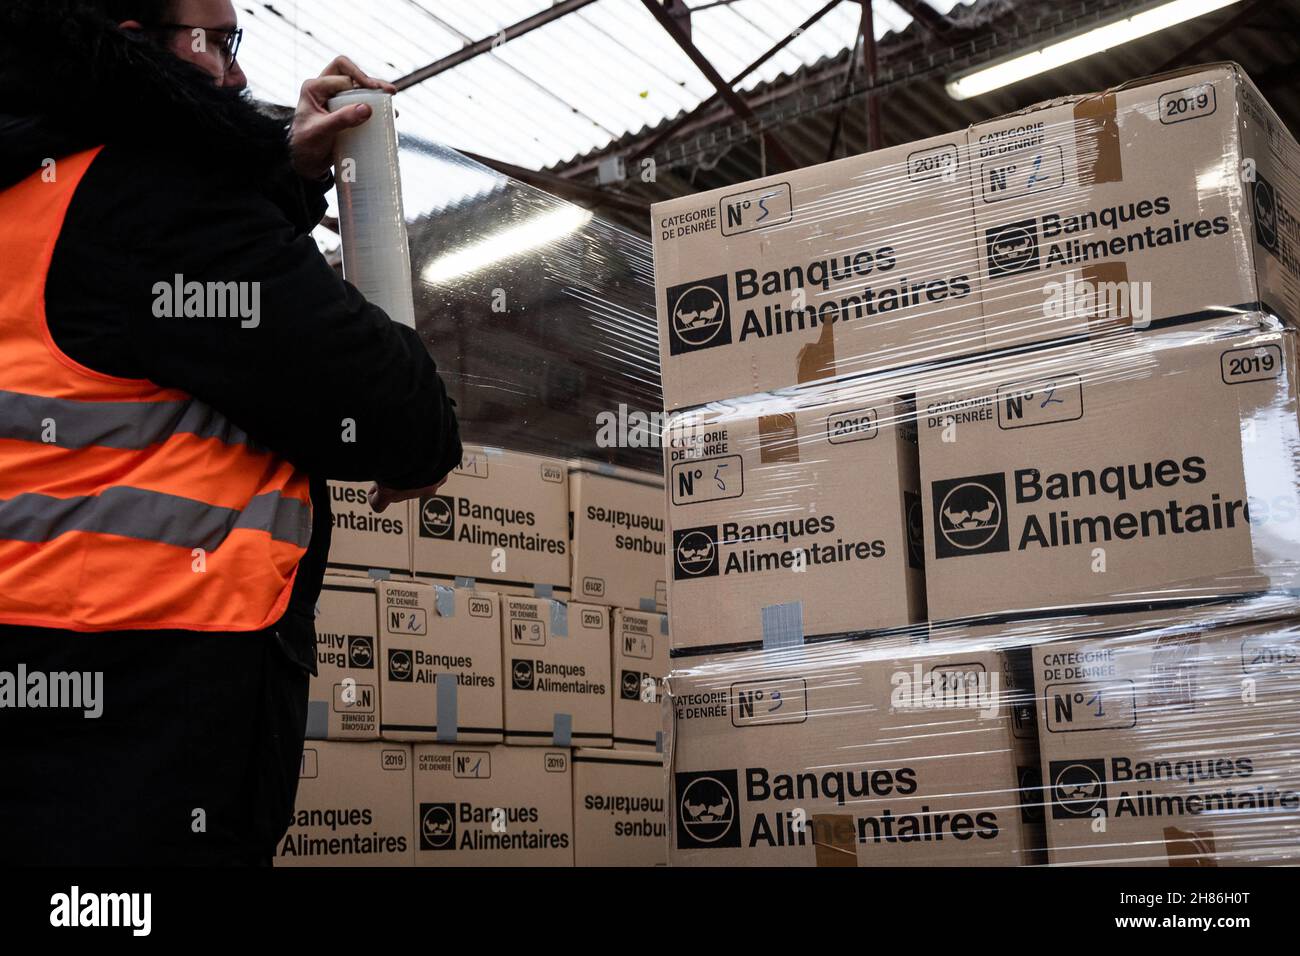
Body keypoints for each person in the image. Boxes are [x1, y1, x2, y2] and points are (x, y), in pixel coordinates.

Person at [0, 0, 461, 864]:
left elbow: (180, 310)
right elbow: (393, 410)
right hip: (138, 730)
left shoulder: (32, 194)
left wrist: (279, 179)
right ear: (133, 48)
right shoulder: (151, 200)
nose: (240, 76)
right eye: (217, 43)